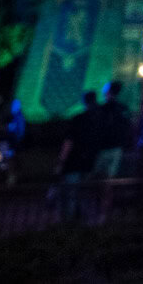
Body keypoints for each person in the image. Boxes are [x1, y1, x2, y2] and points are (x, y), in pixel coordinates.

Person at [56, 91, 104, 221]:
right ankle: (82, 222)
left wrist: (61, 161)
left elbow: (69, 142)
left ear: (84, 101)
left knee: (71, 193)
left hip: (74, 162)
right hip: (89, 162)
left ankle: (68, 223)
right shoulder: (99, 121)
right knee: (83, 192)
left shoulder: (78, 119)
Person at [92, 81, 133, 178]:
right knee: (109, 179)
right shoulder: (123, 109)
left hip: (103, 148)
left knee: (94, 178)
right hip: (116, 148)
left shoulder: (102, 109)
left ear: (109, 92)